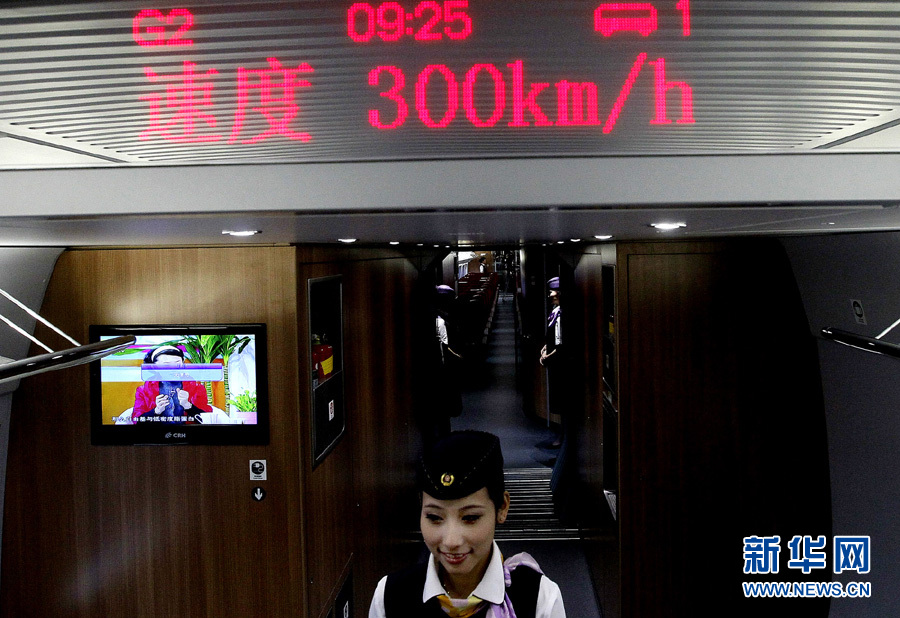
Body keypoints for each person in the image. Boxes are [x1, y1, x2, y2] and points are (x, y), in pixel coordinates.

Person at [369, 430, 566, 617]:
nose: (451, 541)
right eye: (434, 517)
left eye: (470, 518)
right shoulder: (390, 596)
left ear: (502, 508)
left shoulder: (539, 598)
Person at [132, 345, 212, 423]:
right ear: (154, 367)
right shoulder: (143, 391)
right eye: (167, 364)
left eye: (177, 363)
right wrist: (156, 411)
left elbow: (208, 420)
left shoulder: (197, 388)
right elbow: (136, 421)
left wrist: (188, 406)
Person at [539, 277, 565, 448]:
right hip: (554, 361)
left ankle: (563, 438)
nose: (549, 295)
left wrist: (548, 356)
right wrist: (544, 348)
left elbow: (561, 343)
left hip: (560, 365)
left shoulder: (562, 315)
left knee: (563, 402)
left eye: (552, 291)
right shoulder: (555, 311)